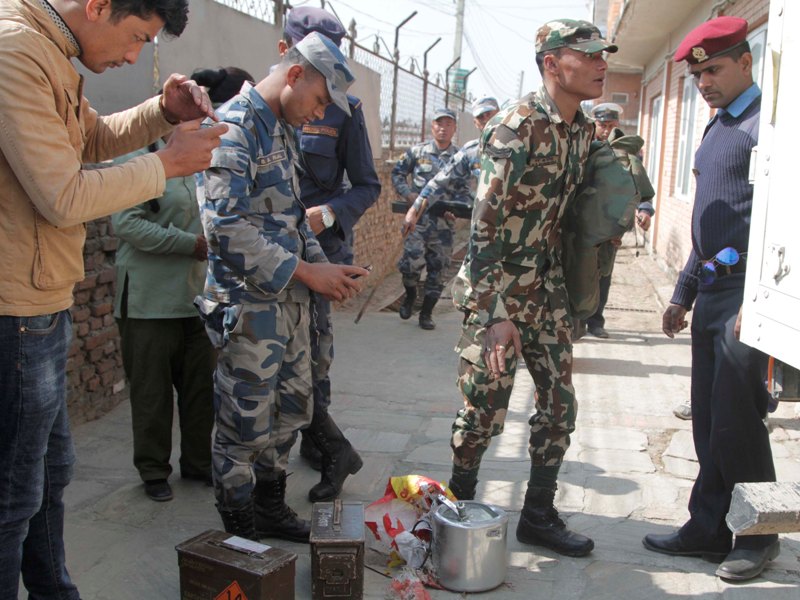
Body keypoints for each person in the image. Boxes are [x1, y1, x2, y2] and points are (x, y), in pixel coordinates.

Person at [0, 0, 226, 597]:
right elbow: (63, 196)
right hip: (13, 311)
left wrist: (161, 112)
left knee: (50, 475)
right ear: (99, 5)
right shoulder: (15, 51)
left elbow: (93, 139)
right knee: (14, 492)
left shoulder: (50, 50)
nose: (133, 56)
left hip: (40, 301)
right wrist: (166, 164)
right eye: (136, 37)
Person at [447, 19, 616, 558]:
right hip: (498, 290)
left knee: (559, 405)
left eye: (603, 55)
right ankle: (454, 510)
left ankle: (538, 515)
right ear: (552, 63)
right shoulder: (515, 127)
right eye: (589, 55)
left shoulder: (582, 128)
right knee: (483, 408)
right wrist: (493, 314)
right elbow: (482, 227)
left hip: (547, 289)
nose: (601, 64)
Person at [195, 32, 368, 543]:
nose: (319, 114)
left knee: (290, 413)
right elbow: (224, 229)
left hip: (290, 306)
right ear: (294, 75)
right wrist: (308, 273)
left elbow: (292, 220)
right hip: (248, 310)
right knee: (243, 426)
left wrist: (326, 271)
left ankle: (270, 509)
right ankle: (240, 530)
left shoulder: (283, 129)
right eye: (319, 100)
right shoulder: (233, 128)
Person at [642, 16, 780, 581]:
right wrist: (684, 293)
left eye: (714, 70)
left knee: (738, 424)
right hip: (715, 292)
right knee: (709, 420)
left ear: (747, 62)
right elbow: (710, 222)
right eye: (697, 76)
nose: (704, 83)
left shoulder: (768, 126)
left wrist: (763, 298)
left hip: (748, 297)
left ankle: (760, 535)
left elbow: (783, 222)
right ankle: (709, 528)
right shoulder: (720, 126)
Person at [113, 67, 254, 503]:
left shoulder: (205, 157)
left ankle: (197, 463)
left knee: (199, 391)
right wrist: (189, 244)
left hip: (196, 298)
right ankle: (153, 469)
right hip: (148, 301)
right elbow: (127, 224)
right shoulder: (140, 156)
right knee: (151, 393)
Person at [278, 7, 381, 503]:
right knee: (276, 360)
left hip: (322, 253)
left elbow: (367, 185)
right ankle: (317, 444)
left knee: (314, 359)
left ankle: (319, 446)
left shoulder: (344, 109)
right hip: (270, 255)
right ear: (288, 52)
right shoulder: (261, 105)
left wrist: (332, 212)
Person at [583, 102, 655, 339]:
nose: (606, 130)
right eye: (602, 125)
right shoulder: (583, 148)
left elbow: (641, 188)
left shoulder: (627, 153)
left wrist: (644, 211)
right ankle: (574, 322)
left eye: (611, 125)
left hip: (610, 227)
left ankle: (595, 321)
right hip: (581, 224)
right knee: (576, 271)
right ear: (594, 124)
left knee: (603, 274)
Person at [393, 107, 459, 330]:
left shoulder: (459, 157)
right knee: (410, 264)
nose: (443, 128)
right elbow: (397, 173)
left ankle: (426, 314)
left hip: (444, 225)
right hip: (418, 222)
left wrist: (456, 208)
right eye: (439, 124)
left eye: (448, 124)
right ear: (432, 127)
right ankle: (410, 296)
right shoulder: (417, 152)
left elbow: (465, 187)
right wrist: (408, 194)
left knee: (438, 270)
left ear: (454, 129)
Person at [402, 96, 500, 235]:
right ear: (475, 123)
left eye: (489, 114)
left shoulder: (522, 145)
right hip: (486, 227)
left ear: (500, 114)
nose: (486, 120)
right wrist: (414, 210)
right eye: (480, 117)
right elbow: (440, 181)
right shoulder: (471, 152)